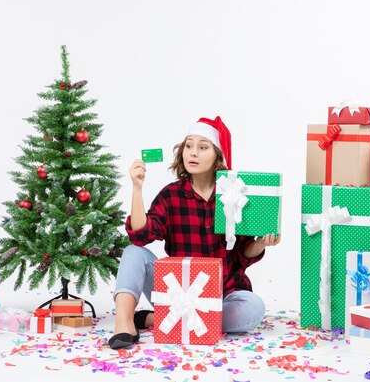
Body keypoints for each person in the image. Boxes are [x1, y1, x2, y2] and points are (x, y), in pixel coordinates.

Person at [108, 115, 281, 350]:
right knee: (132, 252)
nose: (193, 153)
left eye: (202, 147)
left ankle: (153, 319)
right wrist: (137, 188)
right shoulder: (171, 195)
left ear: (218, 155)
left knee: (253, 308)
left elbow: (242, 254)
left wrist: (261, 243)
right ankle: (125, 323)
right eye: (188, 146)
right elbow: (140, 236)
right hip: (176, 292)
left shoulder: (233, 196)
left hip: (222, 296)